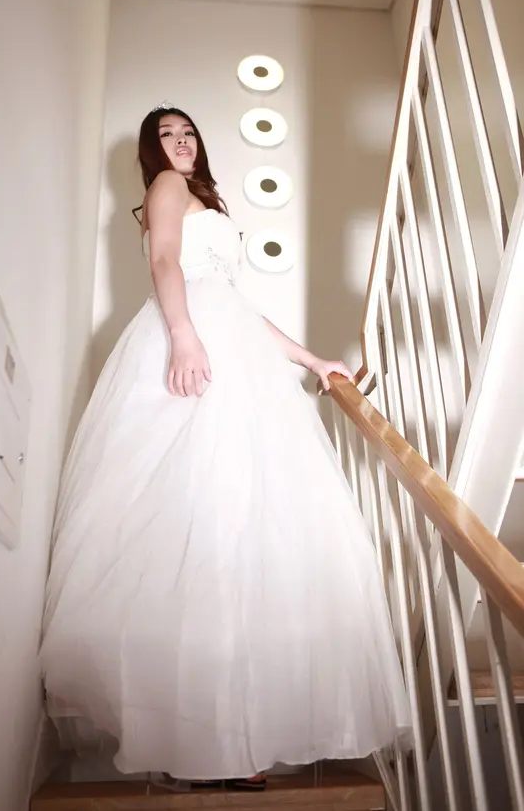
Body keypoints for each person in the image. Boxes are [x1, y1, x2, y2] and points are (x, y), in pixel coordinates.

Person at [40, 104, 411, 791]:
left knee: (234, 538)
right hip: (192, 340)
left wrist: (312, 360)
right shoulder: (165, 187)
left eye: (187, 132)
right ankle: (203, 745)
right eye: (166, 135)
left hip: (226, 337)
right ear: (152, 151)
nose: (180, 142)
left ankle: (225, 742)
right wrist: (183, 338)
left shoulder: (206, 197)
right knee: (197, 533)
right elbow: (164, 260)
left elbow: (238, 305)